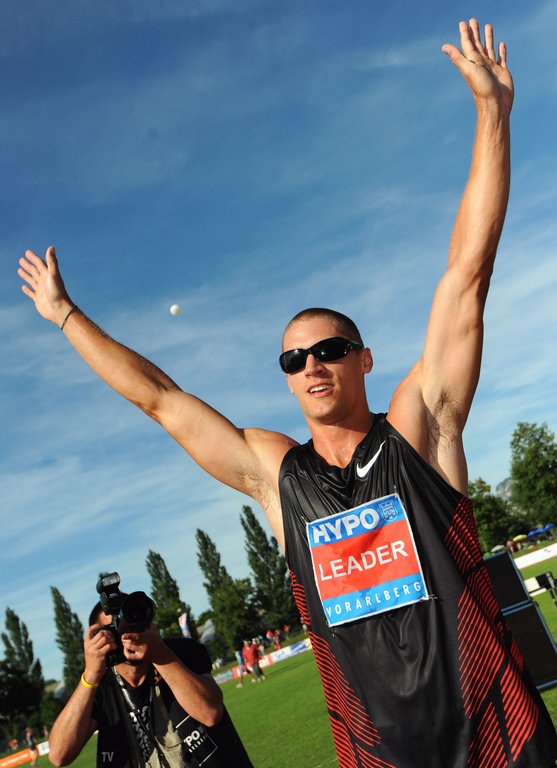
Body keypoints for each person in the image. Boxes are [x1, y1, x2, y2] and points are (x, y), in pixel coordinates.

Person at [18, 19, 557, 768]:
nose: (312, 364)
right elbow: (161, 400)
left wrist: (492, 113)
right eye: (294, 357)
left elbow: (467, 273)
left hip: (501, 738)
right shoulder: (277, 475)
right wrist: (66, 316)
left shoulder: (420, 426)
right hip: (377, 757)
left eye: (330, 349)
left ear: (364, 359)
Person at [48, 603, 253, 768]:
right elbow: (59, 755)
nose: (126, 635)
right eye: (115, 629)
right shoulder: (100, 686)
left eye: (130, 623)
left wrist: (160, 654)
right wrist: (90, 676)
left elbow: (210, 713)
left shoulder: (179, 652)